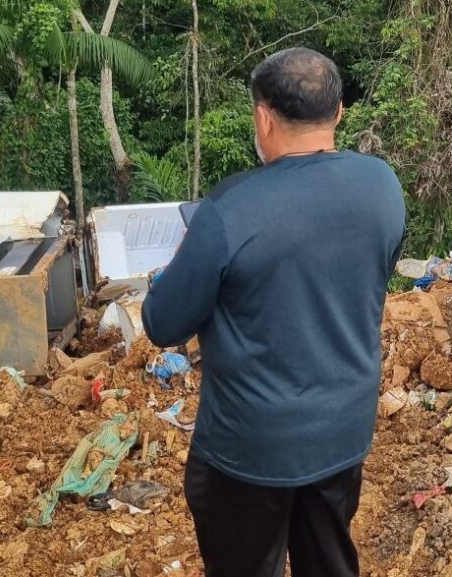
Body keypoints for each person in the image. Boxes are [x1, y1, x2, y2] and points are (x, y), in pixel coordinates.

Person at [141, 47, 406, 577]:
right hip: (342, 433)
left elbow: (162, 322)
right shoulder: (382, 185)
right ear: (338, 114)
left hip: (250, 448)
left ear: (263, 118)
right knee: (329, 560)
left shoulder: (229, 209)